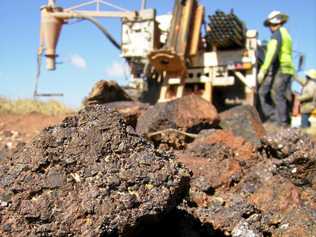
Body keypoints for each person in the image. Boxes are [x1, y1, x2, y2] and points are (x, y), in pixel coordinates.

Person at [257, 11, 295, 126]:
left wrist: (263, 70)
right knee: (283, 95)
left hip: (282, 68)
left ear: (274, 22)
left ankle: (279, 121)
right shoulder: (286, 34)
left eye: (270, 25)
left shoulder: (277, 35)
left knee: (275, 94)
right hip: (288, 68)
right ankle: (285, 121)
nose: (269, 28)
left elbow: (271, 53)